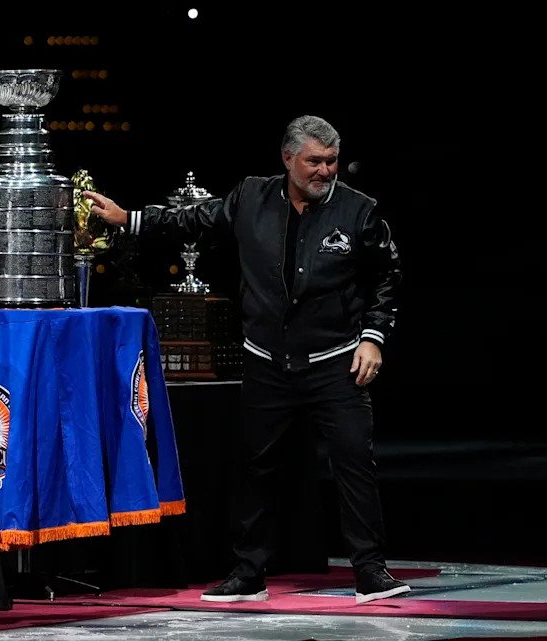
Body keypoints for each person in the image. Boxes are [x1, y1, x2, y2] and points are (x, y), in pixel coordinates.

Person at [83, 115, 407, 605]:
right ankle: (248, 573)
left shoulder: (359, 211)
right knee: (256, 468)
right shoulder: (251, 196)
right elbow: (192, 219)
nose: (325, 171)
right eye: (314, 162)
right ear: (288, 159)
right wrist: (128, 218)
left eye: (331, 161)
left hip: (336, 361)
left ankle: (370, 572)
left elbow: (388, 276)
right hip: (266, 362)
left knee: (353, 464)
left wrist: (373, 337)